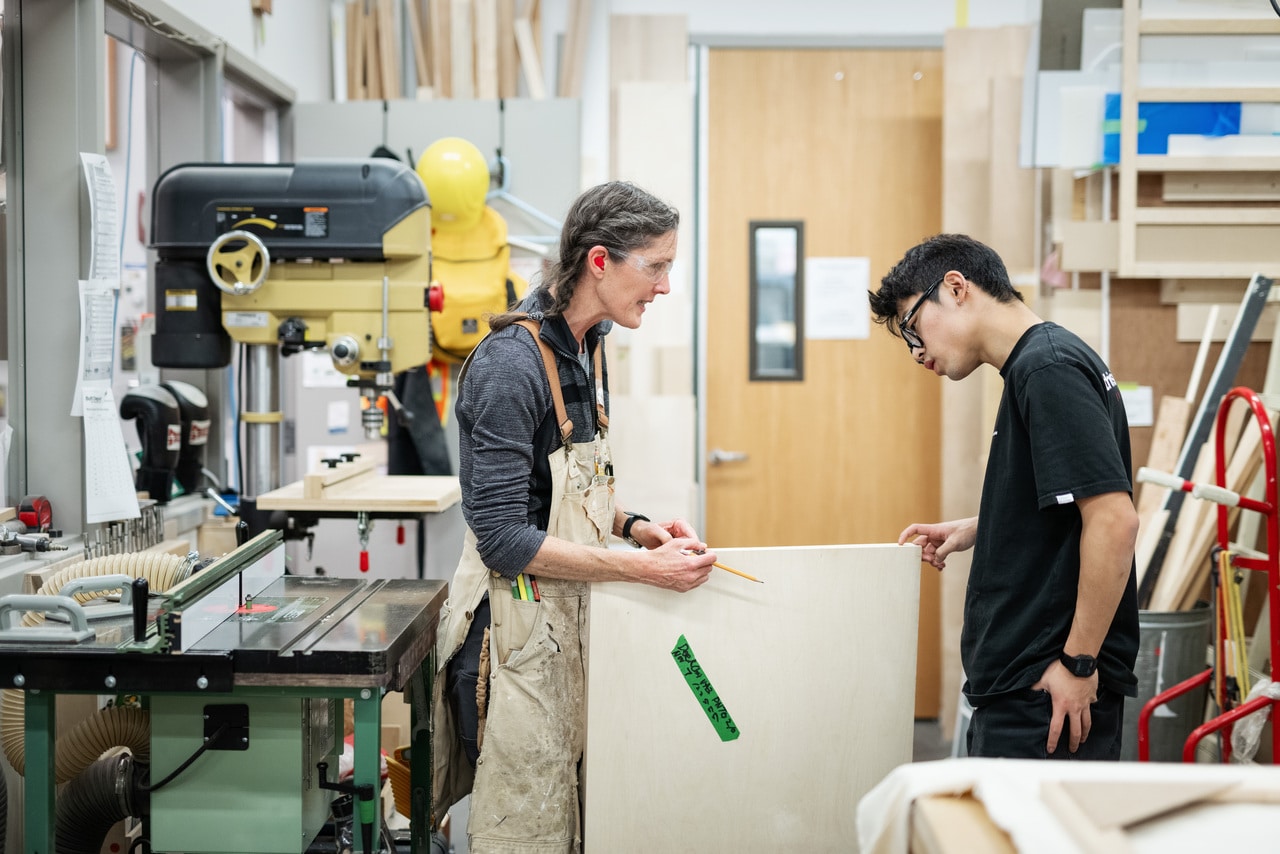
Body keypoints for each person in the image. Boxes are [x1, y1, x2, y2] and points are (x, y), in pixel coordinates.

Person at [432, 180, 717, 852]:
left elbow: (566, 491)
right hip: (512, 641)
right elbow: (503, 538)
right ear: (599, 262)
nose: (666, 286)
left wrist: (633, 527)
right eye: (655, 267)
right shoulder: (511, 367)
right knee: (524, 831)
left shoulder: (589, 343)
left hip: (565, 629)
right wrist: (642, 570)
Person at [867, 233, 1139, 760]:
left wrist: (1079, 665)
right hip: (1033, 683)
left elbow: (1114, 521)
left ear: (956, 287)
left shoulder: (1048, 369)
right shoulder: (1036, 365)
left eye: (912, 327)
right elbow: (1067, 501)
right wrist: (980, 525)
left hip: (1047, 691)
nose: (918, 351)